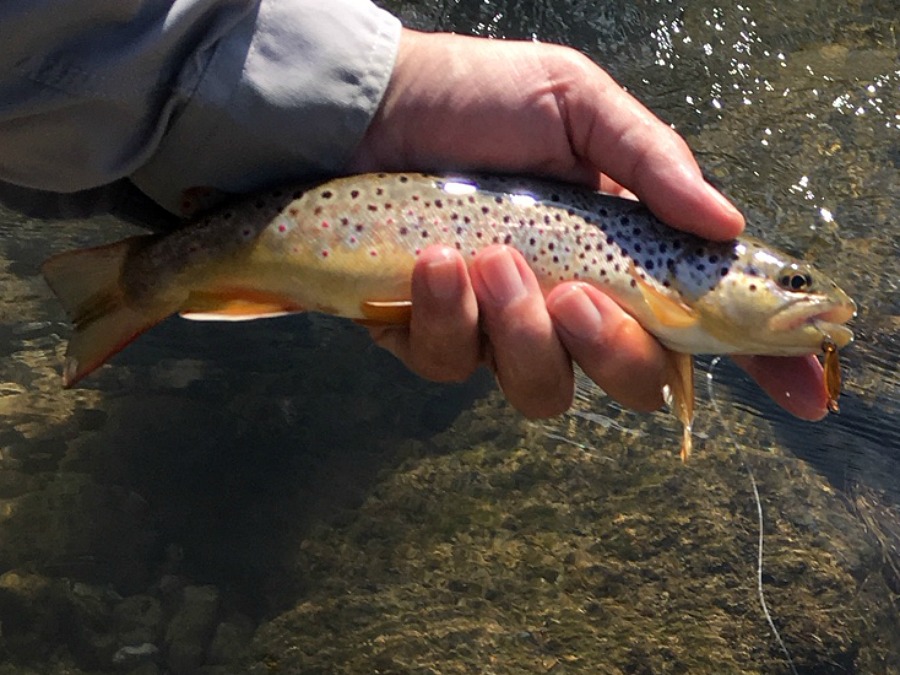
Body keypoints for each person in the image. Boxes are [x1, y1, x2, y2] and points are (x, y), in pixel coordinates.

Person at [0, 0, 830, 420]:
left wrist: (370, 99)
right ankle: (150, 275)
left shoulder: (678, 312)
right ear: (709, 261)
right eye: (792, 279)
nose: (810, 299)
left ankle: (165, 271)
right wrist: (375, 99)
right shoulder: (671, 283)